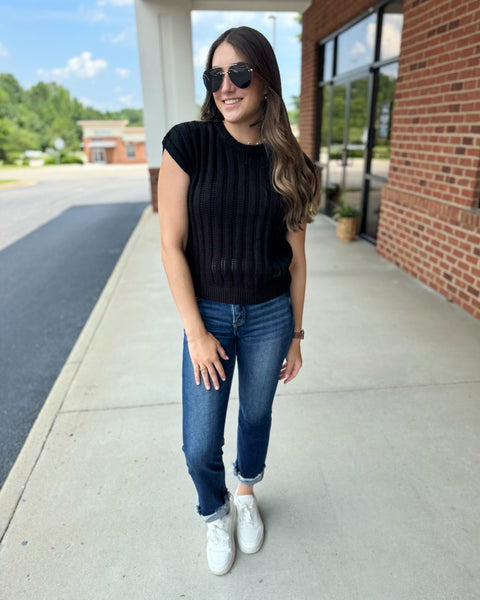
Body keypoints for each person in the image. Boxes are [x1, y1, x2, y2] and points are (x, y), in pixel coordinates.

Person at [158, 25, 319, 576]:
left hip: (270, 316)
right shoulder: (188, 144)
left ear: (265, 80)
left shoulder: (291, 163)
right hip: (207, 314)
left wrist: (296, 335)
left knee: (255, 415)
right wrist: (196, 332)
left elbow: (297, 262)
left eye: (240, 73)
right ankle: (215, 511)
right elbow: (171, 244)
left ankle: (246, 493)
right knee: (199, 442)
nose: (226, 86)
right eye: (215, 75)